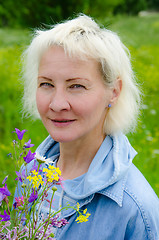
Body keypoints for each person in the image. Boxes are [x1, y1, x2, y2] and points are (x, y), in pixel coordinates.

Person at [17, 14, 159, 239]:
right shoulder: (28, 175)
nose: (57, 103)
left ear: (114, 91)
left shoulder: (136, 209)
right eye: (46, 84)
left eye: (76, 86)